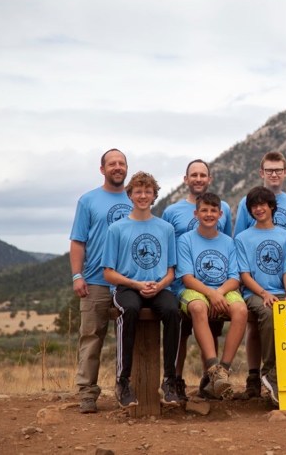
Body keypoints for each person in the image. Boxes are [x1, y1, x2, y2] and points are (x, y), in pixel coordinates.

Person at [102, 171, 182, 408]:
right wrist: (136, 284)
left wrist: (160, 285)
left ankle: (169, 380)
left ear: (155, 195)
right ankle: (123, 381)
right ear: (130, 194)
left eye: (148, 191)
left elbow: (171, 271)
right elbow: (108, 272)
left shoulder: (165, 228)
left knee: (173, 311)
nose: (143, 195)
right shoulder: (116, 229)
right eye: (138, 191)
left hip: (158, 287)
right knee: (130, 309)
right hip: (127, 287)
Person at [232, 151, 286, 399]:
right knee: (269, 314)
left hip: (283, 289)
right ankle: (269, 373)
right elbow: (243, 272)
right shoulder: (242, 238)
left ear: (272, 206)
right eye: (255, 206)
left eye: (264, 205)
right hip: (255, 291)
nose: (259, 209)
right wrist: (263, 293)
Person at [69, 148, 133, 414]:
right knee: (92, 337)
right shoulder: (88, 201)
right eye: (112, 163)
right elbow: (77, 241)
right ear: (102, 169)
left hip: (129, 282)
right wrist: (77, 275)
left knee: (131, 337)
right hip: (95, 281)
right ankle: (87, 393)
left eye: (122, 163)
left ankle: (129, 387)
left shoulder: (137, 198)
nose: (117, 167)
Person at [162, 159, 230, 399]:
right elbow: (166, 247)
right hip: (182, 284)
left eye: (203, 175)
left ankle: (208, 381)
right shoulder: (171, 211)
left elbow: (225, 242)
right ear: (186, 179)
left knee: (212, 330)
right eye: (194, 175)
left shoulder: (225, 209)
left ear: (209, 179)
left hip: (214, 283)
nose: (198, 179)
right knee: (180, 334)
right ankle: (175, 381)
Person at [177, 192, 247, 400]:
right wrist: (210, 294)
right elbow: (187, 278)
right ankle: (212, 368)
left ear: (221, 214)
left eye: (213, 211)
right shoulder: (186, 240)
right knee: (198, 308)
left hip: (223, 289)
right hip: (194, 290)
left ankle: (223, 371)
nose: (209, 214)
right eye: (204, 210)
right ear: (196, 213)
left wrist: (219, 293)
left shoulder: (228, 242)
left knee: (241, 310)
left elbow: (235, 278)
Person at [233, 151, 286, 235]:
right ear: (262, 173)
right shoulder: (247, 202)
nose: (274, 175)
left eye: (278, 170)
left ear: (285, 173)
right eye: (269, 170)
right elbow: (238, 240)